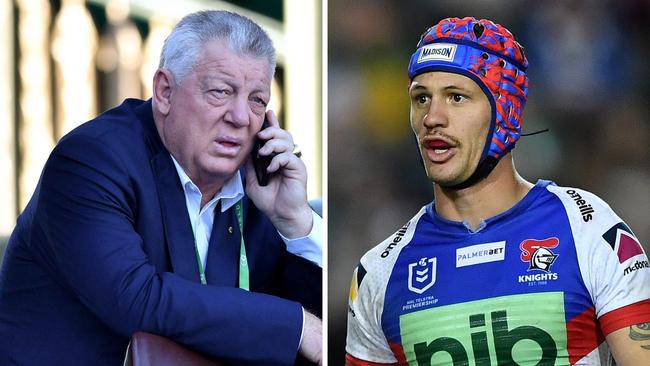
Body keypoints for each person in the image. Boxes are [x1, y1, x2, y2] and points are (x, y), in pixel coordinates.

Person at [0, 10, 322, 366]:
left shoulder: (257, 184)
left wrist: (294, 222)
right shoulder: (91, 160)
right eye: (221, 92)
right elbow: (137, 299)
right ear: (165, 91)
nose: (241, 117)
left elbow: (322, 343)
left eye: (257, 100)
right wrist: (296, 327)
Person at [345, 17, 650, 365]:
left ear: (505, 111)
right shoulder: (379, 272)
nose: (432, 117)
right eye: (421, 98)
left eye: (457, 97)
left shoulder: (589, 230)